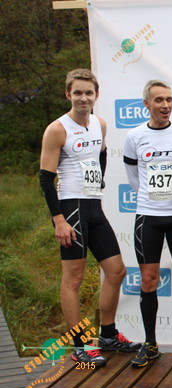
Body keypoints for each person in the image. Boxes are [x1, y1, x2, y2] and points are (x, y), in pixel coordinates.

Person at [39, 68, 140, 367]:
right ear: (68, 94)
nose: (83, 98)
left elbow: (102, 154)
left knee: (116, 271)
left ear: (96, 95)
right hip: (70, 209)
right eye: (78, 93)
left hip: (94, 208)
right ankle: (80, 345)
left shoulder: (99, 124)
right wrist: (59, 220)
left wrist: (100, 182)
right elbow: (45, 178)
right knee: (74, 279)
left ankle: (107, 335)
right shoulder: (57, 129)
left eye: (88, 93)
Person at [123, 80, 172, 368]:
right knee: (148, 280)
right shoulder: (134, 136)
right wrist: (152, 197)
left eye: (169, 99)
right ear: (147, 104)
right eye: (159, 100)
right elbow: (133, 176)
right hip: (148, 217)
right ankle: (150, 344)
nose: (165, 105)